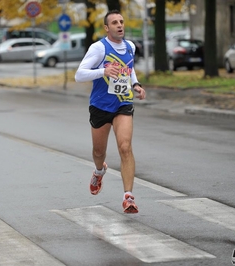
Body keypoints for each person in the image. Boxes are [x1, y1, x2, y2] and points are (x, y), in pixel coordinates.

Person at [75, 10, 146, 213]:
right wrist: (103, 71)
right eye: (114, 22)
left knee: (125, 147)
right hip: (100, 105)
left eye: (121, 21)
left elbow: (129, 68)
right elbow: (79, 75)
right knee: (99, 152)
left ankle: (128, 197)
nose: (119, 25)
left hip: (123, 103)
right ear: (107, 28)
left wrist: (136, 85)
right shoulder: (99, 48)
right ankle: (99, 170)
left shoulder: (130, 46)